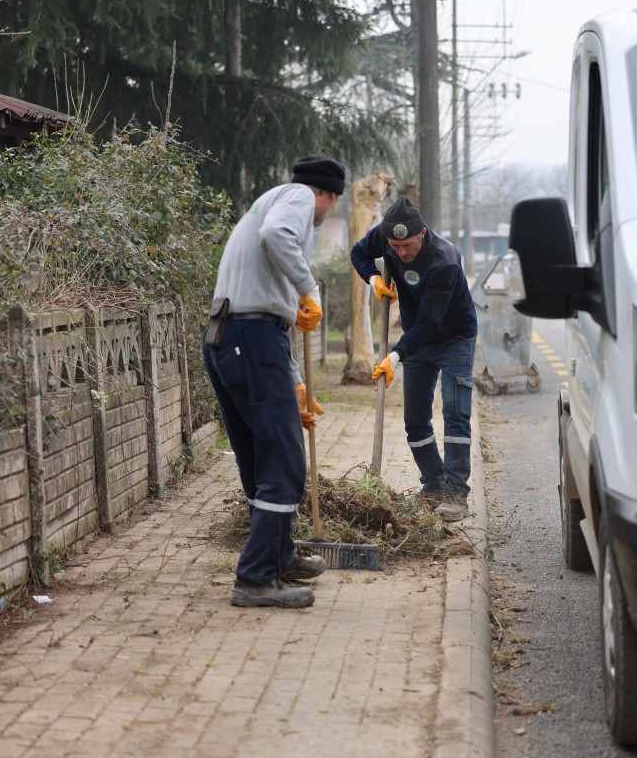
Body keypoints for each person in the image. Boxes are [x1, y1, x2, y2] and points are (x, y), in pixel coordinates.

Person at [202, 155, 345, 609]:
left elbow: (270, 310)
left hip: (229, 335)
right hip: (252, 337)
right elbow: (276, 238)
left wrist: (296, 382)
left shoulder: (269, 199)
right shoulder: (300, 198)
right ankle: (256, 578)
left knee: (259, 457)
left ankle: (278, 554)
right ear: (329, 194)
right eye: (332, 205)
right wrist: (309, 287)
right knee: (284, 461)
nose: (326, 215)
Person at [350, 195, 478, 523]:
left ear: (421, 234)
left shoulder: (444, 260)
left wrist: (394, 356)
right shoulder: (385, 237)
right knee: (415, 419)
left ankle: (456, 491)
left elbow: (427, 324)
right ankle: (434, 484)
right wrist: (374, 278)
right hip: (417, 341)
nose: (401, 253)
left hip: (454, 337)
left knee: (455, 412)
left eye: (407, 246)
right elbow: (358, 253)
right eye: (395, 246)